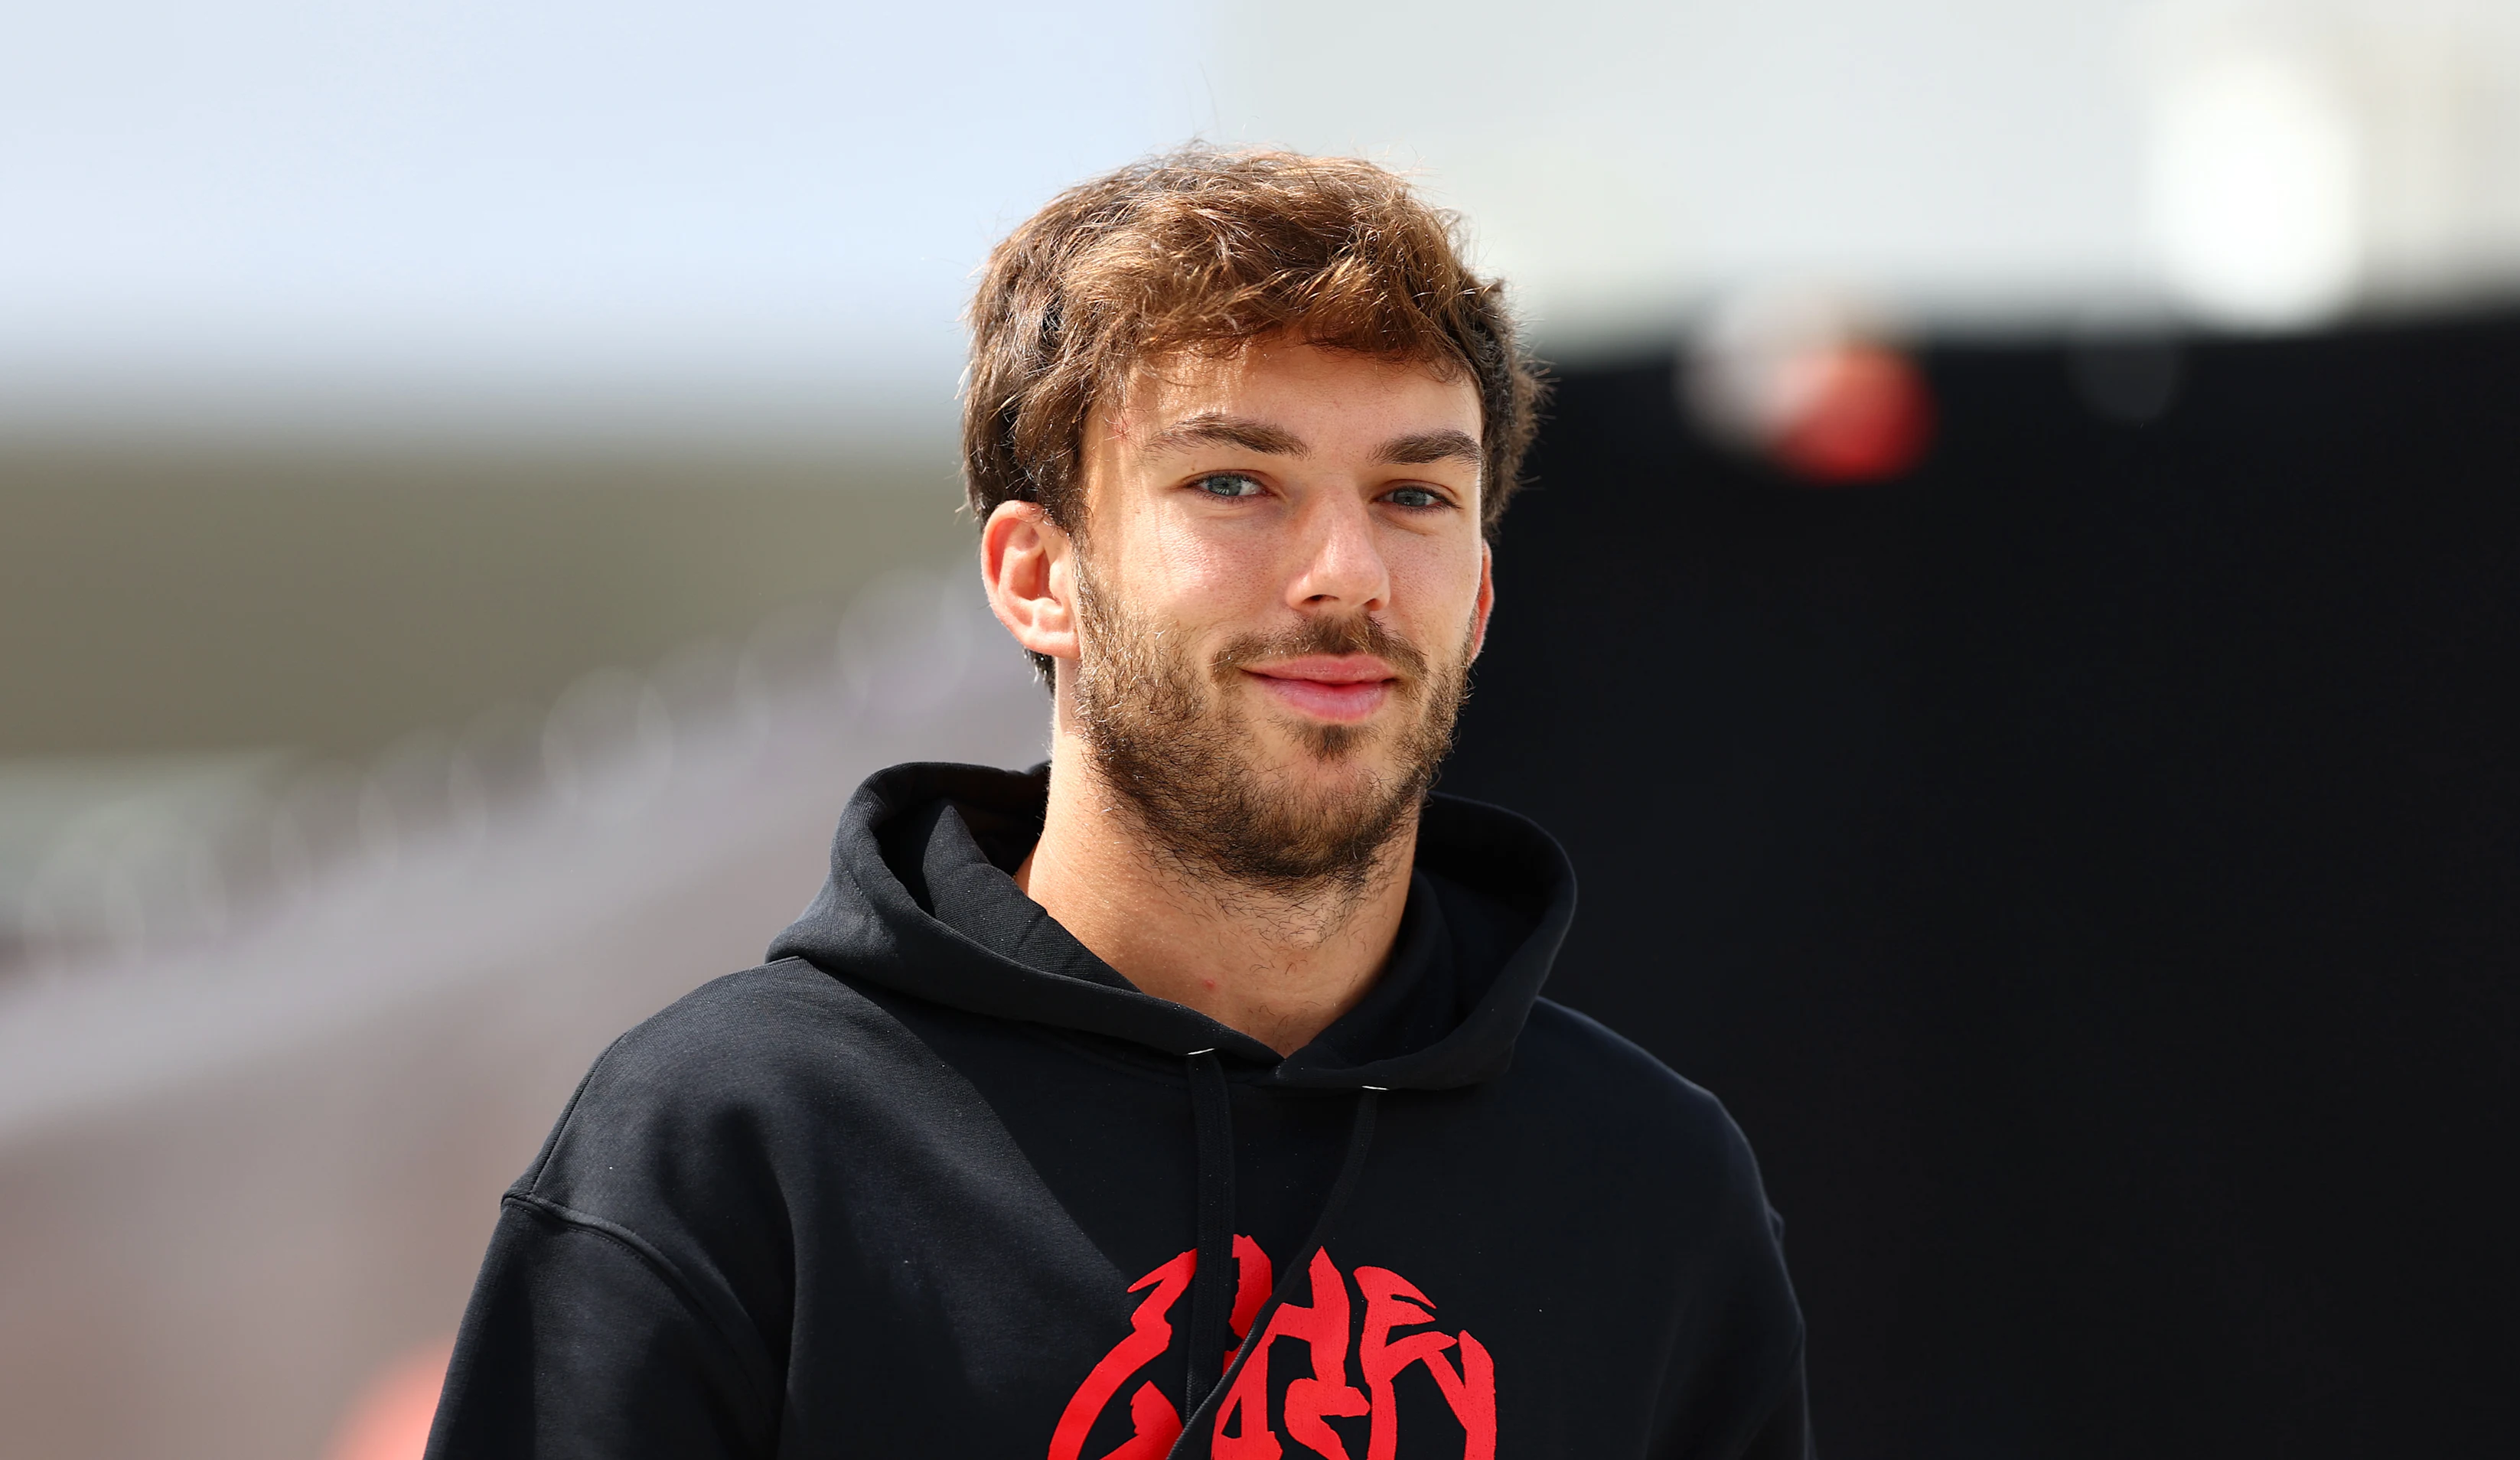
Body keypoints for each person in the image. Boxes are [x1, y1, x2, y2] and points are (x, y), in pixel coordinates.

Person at [427, 148, 1811, 1460]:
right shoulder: (735, 1141)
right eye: (1234, 483)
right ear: (1038, 575)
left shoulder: (1648, 1189)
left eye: (1413, 494)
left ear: (1485, 596)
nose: (1347, 573)